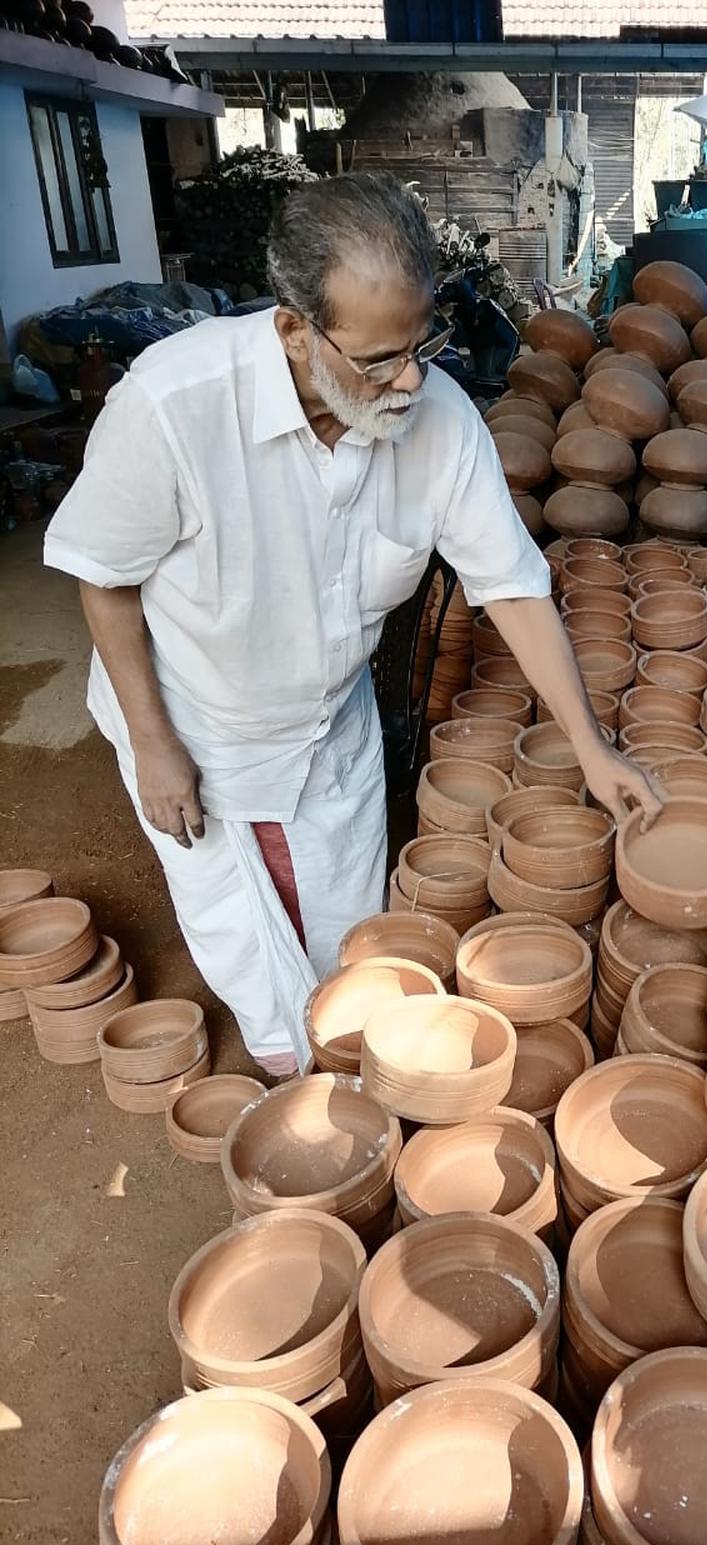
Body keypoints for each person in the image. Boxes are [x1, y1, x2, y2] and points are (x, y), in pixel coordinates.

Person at [44, 172, 661, 1079]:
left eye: (423, 341)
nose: (411, 378)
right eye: (378, 359)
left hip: (332, 726)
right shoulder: (175, 406)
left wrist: (593, 746)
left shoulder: (439, 420)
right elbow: (107, 579)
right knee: (256, 956)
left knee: (350, 946)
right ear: (294, 329)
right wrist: (152, 742)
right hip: (201, 726)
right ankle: (294, 1094)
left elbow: (515, 588)